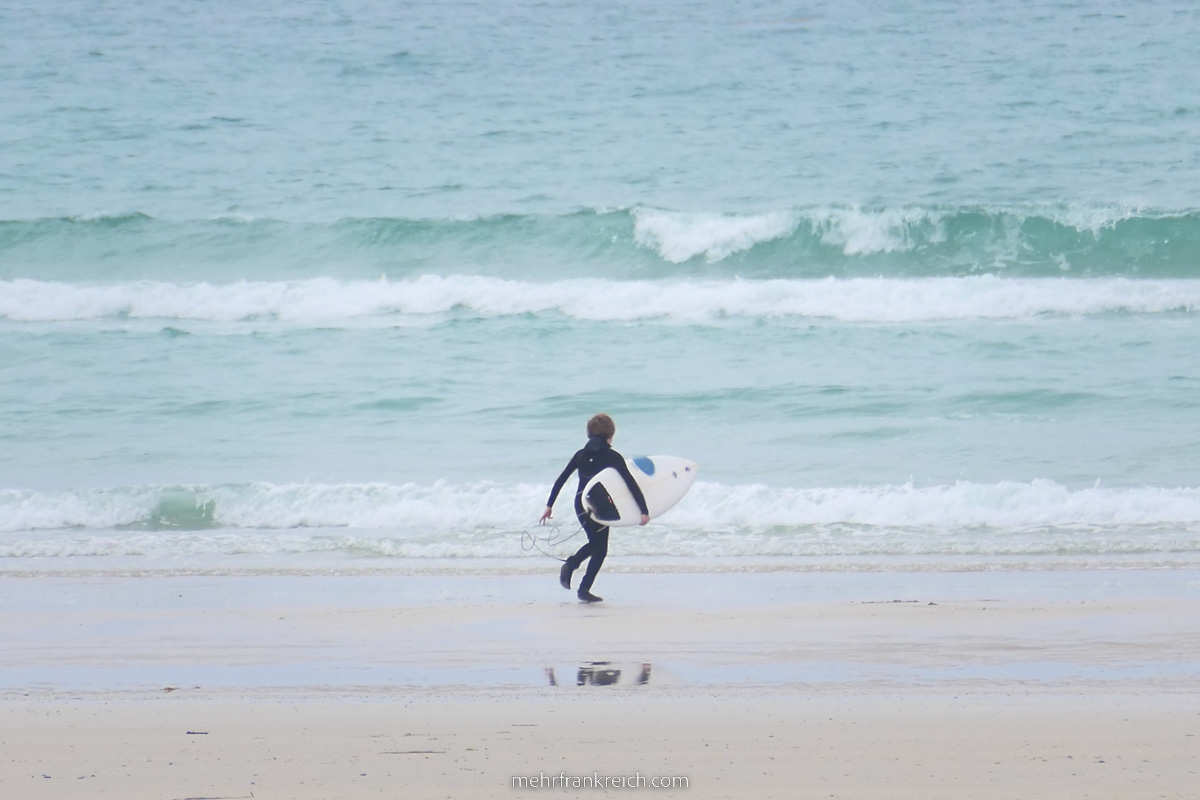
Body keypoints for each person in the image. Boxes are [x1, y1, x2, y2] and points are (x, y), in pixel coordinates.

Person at [539, 413, 649, 603]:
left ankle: (573, 568)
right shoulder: (613, 457)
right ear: (610, 434)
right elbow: (630, 484)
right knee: (601, 548)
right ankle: (579, 581)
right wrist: (644, 510)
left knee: (595, 544)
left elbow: (562, 479)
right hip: (600, 506)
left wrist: (549, 505)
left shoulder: (580, 455)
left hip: (580, 504)